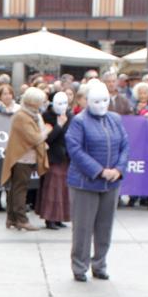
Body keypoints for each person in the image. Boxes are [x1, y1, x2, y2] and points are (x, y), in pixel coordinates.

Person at [66, 80, 128, 281]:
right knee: (83, 227)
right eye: (96, 101)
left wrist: (118, 169)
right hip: (85, 183)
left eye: (104, 101)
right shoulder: (79, 121)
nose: (101, 105)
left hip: (111, 183)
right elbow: (75, 150)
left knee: (105, 226)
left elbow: (125, 146)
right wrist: (99, 171)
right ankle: (79, 266)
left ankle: (100, 263)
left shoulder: (115, 119)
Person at [1, 88, 49, 233]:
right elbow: (34, 138)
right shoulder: (21, 116)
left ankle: (12, 218)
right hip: (21, 157)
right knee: (20, 189)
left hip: (27, 157)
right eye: (40, 102)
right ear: (33, 103)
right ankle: (21, 219)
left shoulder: (33, 115)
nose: (42, 104)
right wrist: (47, 131)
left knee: (16, 188)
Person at [37, 91, 72, 228]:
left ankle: (59, 217)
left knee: (63, 189)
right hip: (52, 156)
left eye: (65, 103)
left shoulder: (70, 115)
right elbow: (48, 138)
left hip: (65, 156)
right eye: (59, 103)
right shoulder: (46, 116)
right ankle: (49, 218)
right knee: (52, 187)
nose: (62, 106)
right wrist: (59, 125)